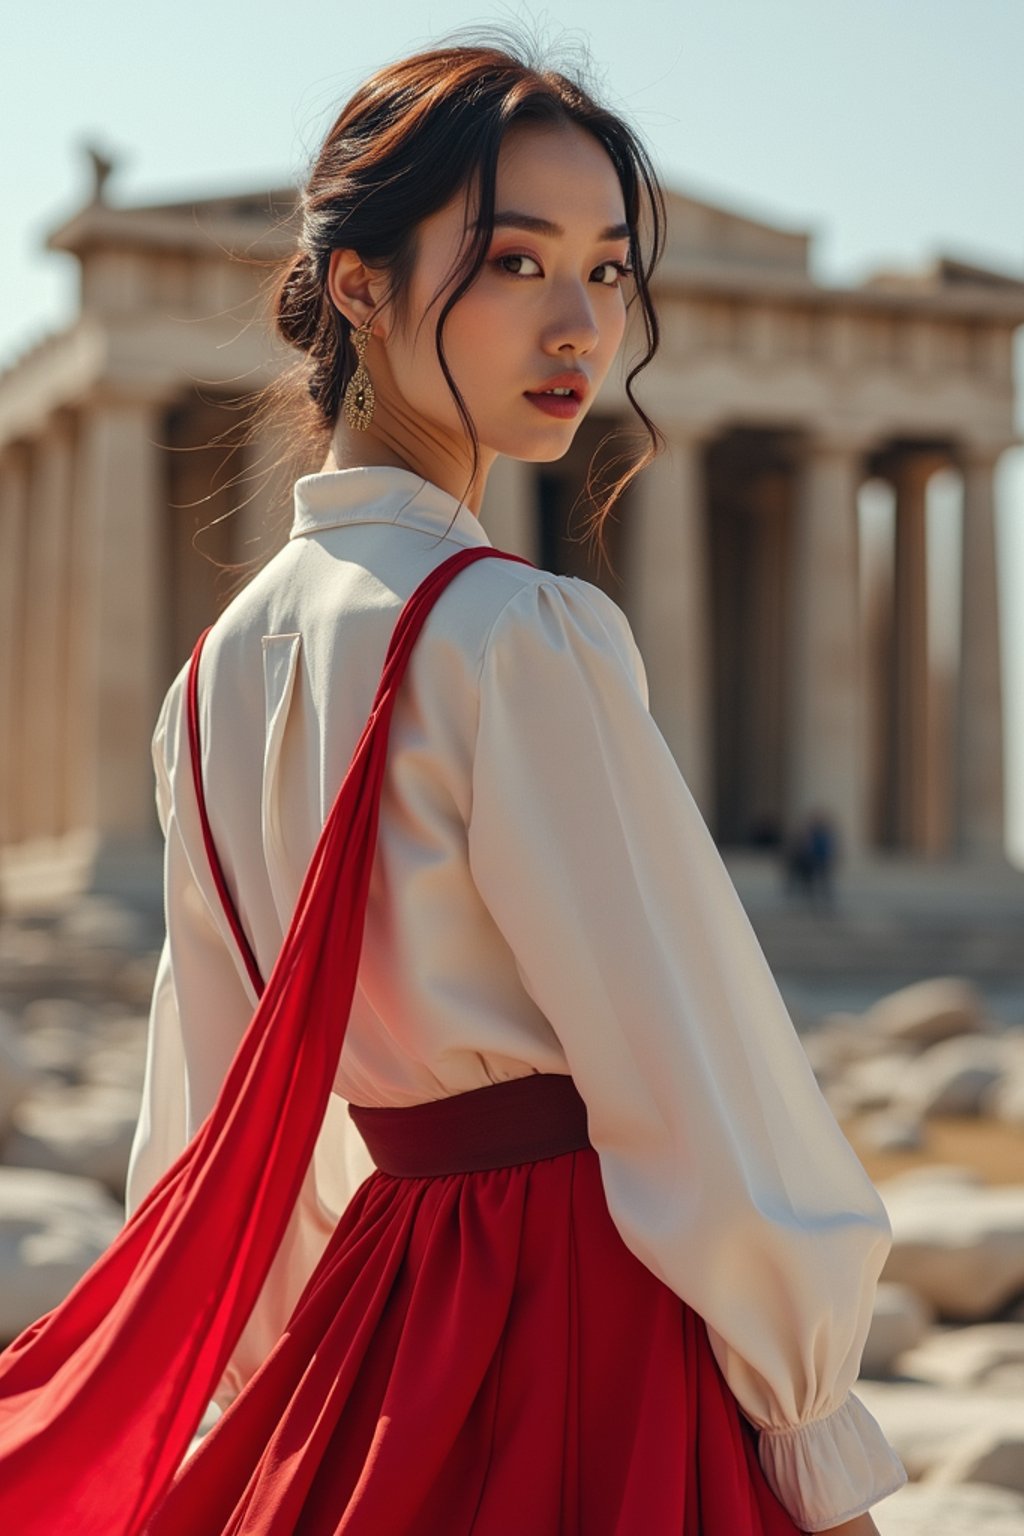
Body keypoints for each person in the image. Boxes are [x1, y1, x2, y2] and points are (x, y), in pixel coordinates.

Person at [119, 37, 907, 1535]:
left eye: (609, 271)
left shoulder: (218, 670)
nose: (580, 327)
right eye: (514, 261)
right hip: (589, 1333)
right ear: (356, 282)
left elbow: (214, 1127)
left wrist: (289, 1399)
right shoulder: (519, 634)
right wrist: (815, 1443)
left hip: (377, 1331)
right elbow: (697, 1086)